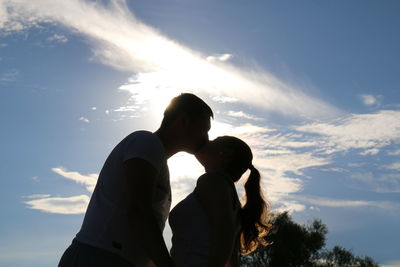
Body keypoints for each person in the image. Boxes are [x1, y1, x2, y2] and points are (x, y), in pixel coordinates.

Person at [58, 93, 213, 267]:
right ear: (184, 121)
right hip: (99, 256)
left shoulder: (156, 157)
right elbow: (139, 209)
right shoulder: (146, 142)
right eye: (204, 130)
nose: (206, 139)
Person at [169, 136, 270, 267]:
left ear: (225, 154)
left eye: (214, 141)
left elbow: (224, 235)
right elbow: (231, 256)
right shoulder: (228, 195)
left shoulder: (212, 182)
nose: (207, 141)